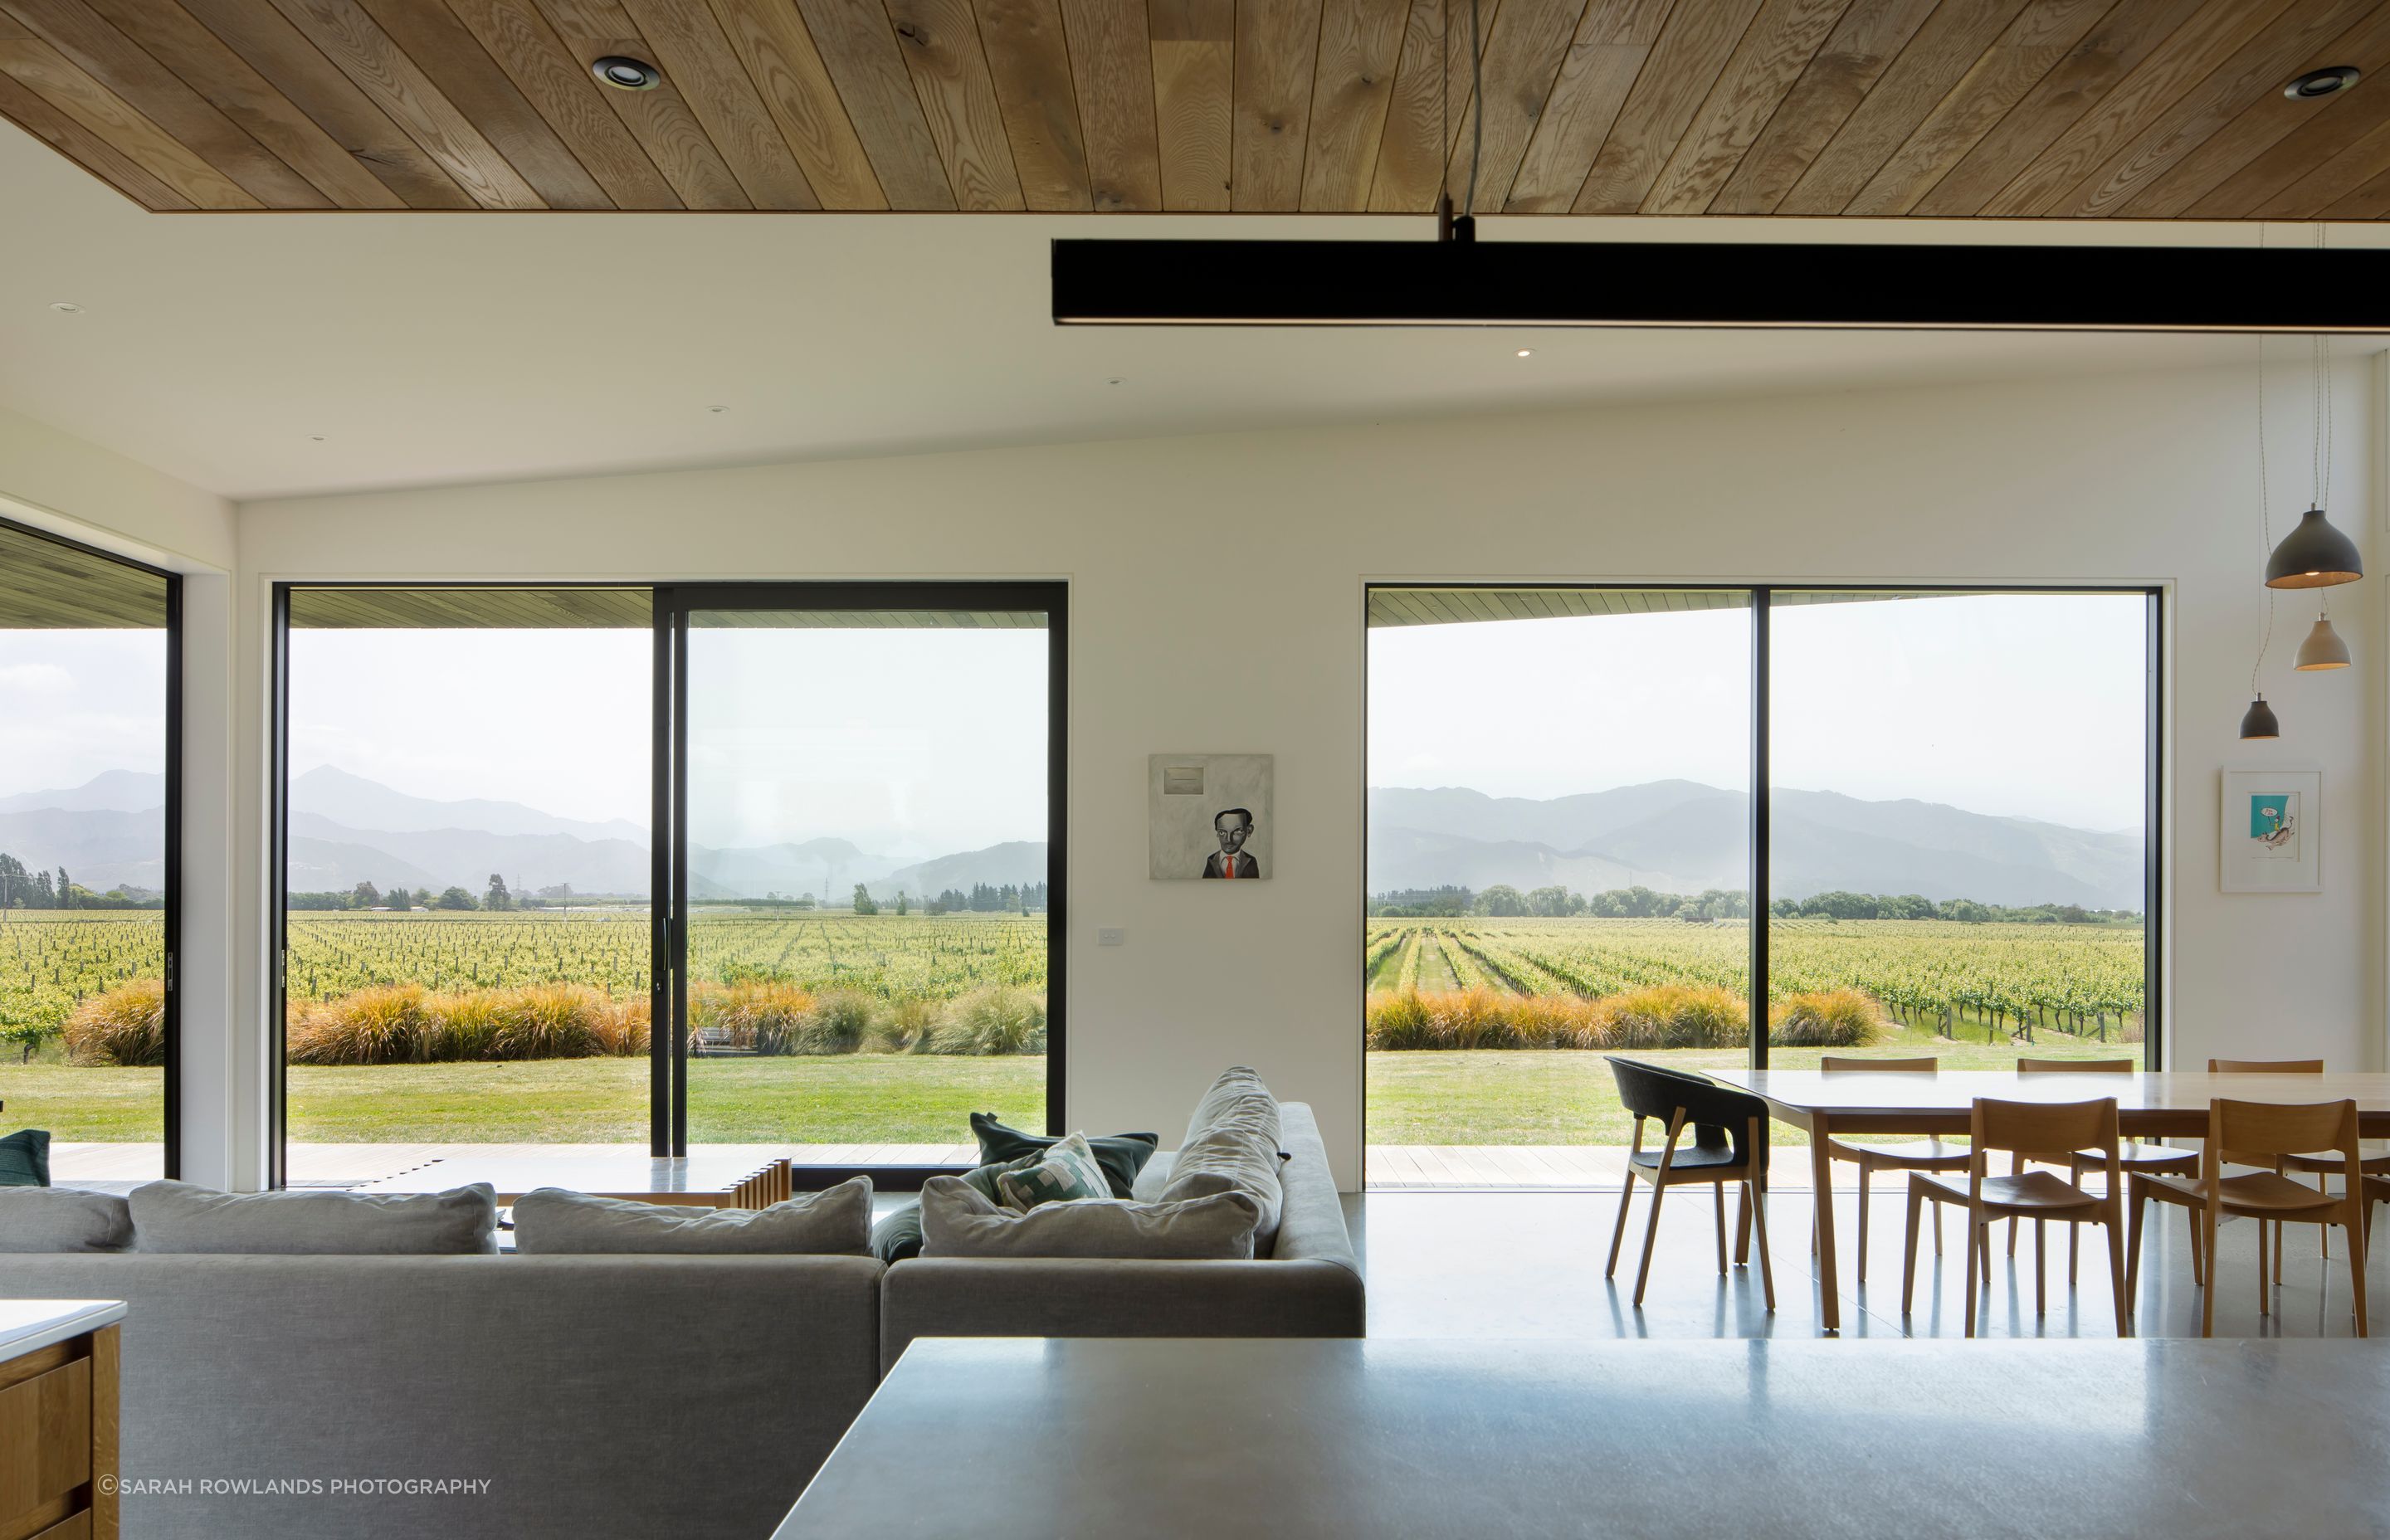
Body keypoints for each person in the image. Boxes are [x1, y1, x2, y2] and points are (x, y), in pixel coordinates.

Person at [1202, 807, 1259, 879]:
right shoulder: (1211, 860)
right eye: (1222, 832)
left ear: (1249, 831)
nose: (1229, 839)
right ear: (1217, 833)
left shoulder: (1251, 861)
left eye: (1238, 831)